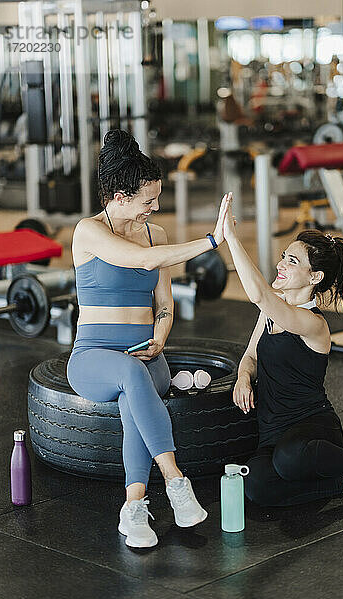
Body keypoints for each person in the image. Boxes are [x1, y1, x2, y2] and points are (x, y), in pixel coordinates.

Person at [67, 130, 230, 548]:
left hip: (148, 360)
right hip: (93, 359)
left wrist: (160, 336)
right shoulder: (88, 232)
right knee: (126, 375)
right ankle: (176, 481)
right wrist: (210, 241)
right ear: (119, 196)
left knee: (133, 392)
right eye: (147, 201)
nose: (154, 208)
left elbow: (164, 303)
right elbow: (141, 260)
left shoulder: (155, 232)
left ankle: (134, 506)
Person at [222, 193, 343, 509]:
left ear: (315, 277)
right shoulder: (272, 309)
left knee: (289, 459)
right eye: (284, 256)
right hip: (273, 430)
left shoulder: (313, 324)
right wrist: (244, 377)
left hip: (313, 428)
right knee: (256, 486)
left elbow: (259, 294)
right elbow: (251, 355)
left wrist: (231, 237)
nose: (280, 264)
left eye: (292, 261)